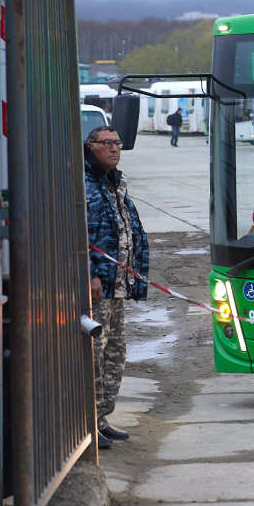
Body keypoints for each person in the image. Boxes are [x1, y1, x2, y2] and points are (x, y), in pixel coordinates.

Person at [83, 126, 149, 449]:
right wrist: (91, 273)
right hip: (97, 289)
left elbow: (127, 227)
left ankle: (102, 418)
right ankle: (87, 423)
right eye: (106, 143)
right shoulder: (84, 184)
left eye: (117, 143)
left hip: (118, 288)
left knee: (115, 354)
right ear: (90, 146)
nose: (114, 149)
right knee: (93, 358)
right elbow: (79, 235)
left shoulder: (115, 183)